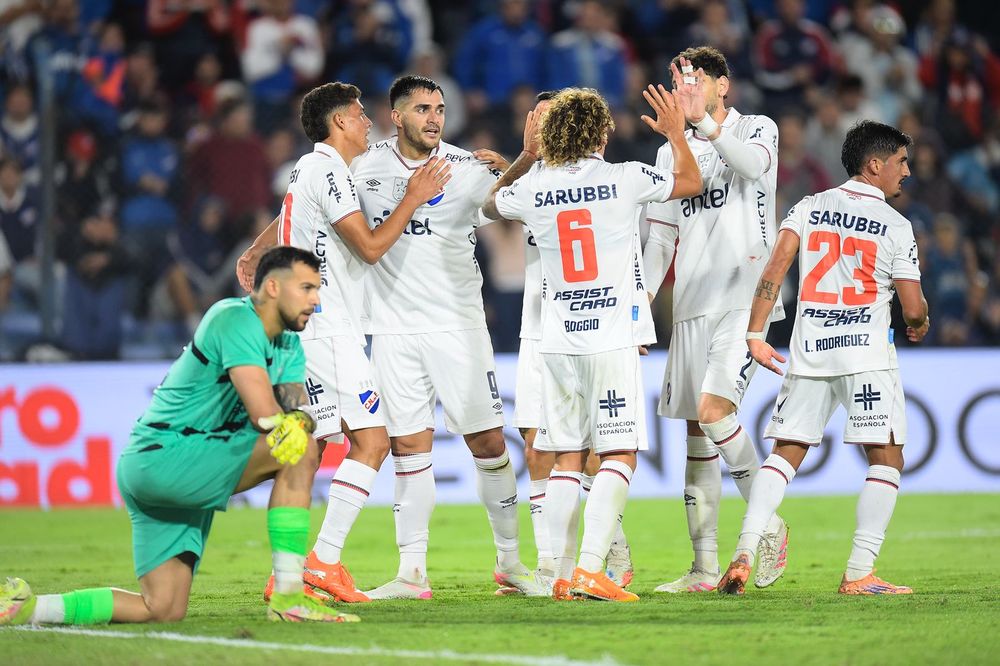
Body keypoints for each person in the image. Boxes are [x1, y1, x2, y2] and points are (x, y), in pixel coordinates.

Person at [1, 246, 360, 625]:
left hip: (161, 466)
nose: (315, 300)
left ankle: (30, 606)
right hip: (169, 454)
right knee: (300, 452)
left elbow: (295, 408)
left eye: (317, 289)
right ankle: (289, 596)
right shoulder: (233, 319)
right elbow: (264, 414)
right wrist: (294, 426)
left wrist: (300, 421)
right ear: (272, 287)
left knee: (162, 609)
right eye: (306, 288)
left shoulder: (289, 344)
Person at [236, 81, 451, 604]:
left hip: (313, 330)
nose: (367, 121)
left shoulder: (312, 169)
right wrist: (414, 197)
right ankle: (323, 562)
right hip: (329, 328)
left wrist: (255, 250)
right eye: (358, 114)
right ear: (338, 123)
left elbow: (292, 215)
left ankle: (287, 571)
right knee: (372, 443)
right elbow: (372, 247)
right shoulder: (329, 169)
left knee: (308, 450)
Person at [485, 84, 703, 601]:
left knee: (564, 457)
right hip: (610, 337)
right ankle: (588, 568)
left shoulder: (535, 189)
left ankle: (558, 572)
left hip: (556, 339)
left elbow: (492, 205)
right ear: (601, 130)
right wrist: (675, 134)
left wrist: (526, 157)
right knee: (619, 454)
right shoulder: (626, 177)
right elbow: (691, 181)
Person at [350, 75, 544, 599]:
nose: (435, 117)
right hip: (391, 328)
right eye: (422, 109)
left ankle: (510, 564)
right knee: (408, 447)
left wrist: (521, 161)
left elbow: (511, 205)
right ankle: (411, 574)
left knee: (485, 441)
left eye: (439, 108)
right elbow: (313, 207)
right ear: (396, 116)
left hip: (457, 326)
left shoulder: (464, 168)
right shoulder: (362, 167)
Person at [717, 120, 929, 595]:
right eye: (900, 161)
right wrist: (919, 323)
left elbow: (775, 268)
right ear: (875, 165)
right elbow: (912, 309)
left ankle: (746, 548)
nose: (907, 172)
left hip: (810, 351)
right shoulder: (896, 225)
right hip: (866, 357)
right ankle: (859, 572)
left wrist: (755, 332)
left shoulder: (809, 206)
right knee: (887, 457)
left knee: (785, 454)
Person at [642, 46, 789, 594]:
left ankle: (767, 526)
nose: (686, 87)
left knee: (713, 410)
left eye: (696, 78)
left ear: (723, 85)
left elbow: (753, 169)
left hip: (745, 298)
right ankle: (704, 569)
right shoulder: (667, 155)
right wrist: (641, 309)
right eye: (678, 79)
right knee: (695, 435)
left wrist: (700, 124)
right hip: (692, 304)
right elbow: (660, 238)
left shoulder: (757, 128)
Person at [509, 91, 633, 591]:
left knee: (590, 453)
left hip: (581, 325)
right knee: (540, 448)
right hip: (537, 328)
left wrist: (637, 324)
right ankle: (553, 568)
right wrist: (525, 158)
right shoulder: (533, 178)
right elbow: (486, 209)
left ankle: (610, 555)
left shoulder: (579, 183)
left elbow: (631, 260)